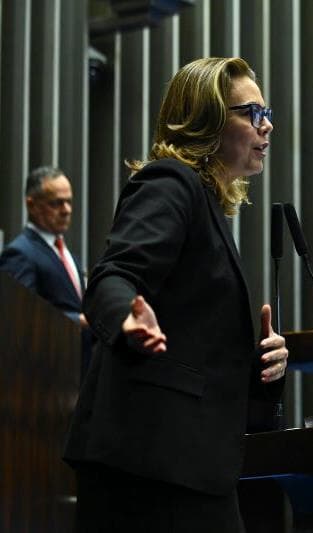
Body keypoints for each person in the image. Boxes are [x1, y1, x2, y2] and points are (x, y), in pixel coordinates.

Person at [62, 57, 288, 532]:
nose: (266, 127)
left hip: (188, 464)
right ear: (207, 120)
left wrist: (264, 365)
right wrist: (126, 319)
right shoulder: (171, 182)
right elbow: (113, 275)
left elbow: (197, 343)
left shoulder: (205, 203)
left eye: (267, 113)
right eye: (252, 113)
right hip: (149, 466)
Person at [0, 166, 85, 325]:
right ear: (32, 205)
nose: (66, 210)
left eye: (69, 201)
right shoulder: (19, 253)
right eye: (56, 203)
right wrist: (79, 321)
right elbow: (18, 313)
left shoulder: (67, 253)